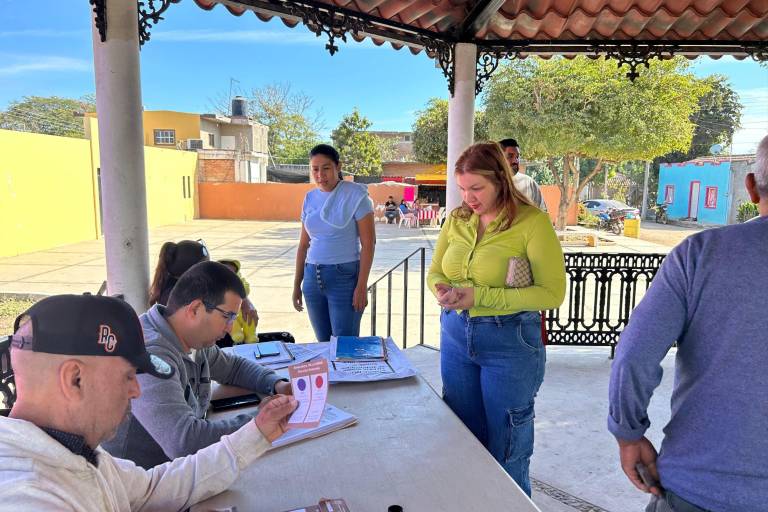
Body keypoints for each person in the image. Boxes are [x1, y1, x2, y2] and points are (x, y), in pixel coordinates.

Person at [0, 294, 297, 510]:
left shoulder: (74, 450)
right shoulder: (27, 497)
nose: (136, 391)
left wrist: (257, 432)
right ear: (75, 379)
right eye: (128, 376)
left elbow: (154, 488)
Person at [607, 134, 768, 512]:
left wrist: (628, 434)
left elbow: (634, 355)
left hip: (696, 488)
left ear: (750, 187)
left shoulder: (699, 255)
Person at [428, 142, 565, 496]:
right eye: (462, 188)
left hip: (510, 342)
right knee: (463, 439)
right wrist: (443, 290)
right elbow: (435, 271)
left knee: (508, 450)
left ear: (501, 180)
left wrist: (480, 296)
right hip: (456, 334)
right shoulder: (457, 219)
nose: (468, 198)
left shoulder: (531, 222)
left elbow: (552, 294)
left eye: (477, 188)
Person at [103, 261, 292, 469]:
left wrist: (278, 384)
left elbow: (233, 368)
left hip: (178, 470)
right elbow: (186, 442)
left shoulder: (192, 337)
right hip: (144, 481)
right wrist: (261, 420)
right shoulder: (151, 355)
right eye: (227, 316)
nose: (230, 328)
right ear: (195, 309)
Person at [292, 144, 376, 342]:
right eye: (315, 169)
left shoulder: (356, 196)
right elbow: (303, 245)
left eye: (326, 168)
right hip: (312, 277)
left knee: (344, 346)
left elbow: (369, 244)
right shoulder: (310, 198)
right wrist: (297, 284)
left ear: (338, 166)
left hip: (344, 278)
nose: (320, 175)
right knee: (323, 343)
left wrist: (361, 286)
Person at [499, 138, 547, 211]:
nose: (516, 161)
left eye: (517, 157)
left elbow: (542, 212)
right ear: (499, 158)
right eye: (510, 156)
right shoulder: (489, 183)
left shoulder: (528, 183)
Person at [218, 258, 258, 345]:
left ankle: (251, 335)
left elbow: (245, 288)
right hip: (227, 314)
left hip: (237, 309)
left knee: (248, 317)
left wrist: (245, 300)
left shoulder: (238, 281)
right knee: (231, 320)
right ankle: (236, 334)